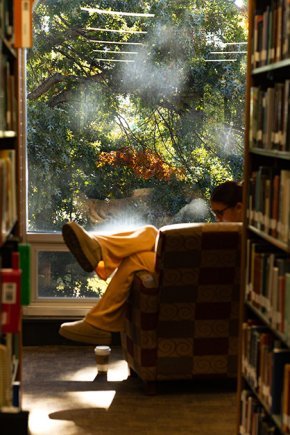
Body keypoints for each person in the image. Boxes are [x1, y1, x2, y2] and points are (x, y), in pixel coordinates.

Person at [59, 180, 243, 344]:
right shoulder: (230, 230)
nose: (217, 219)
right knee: (140, 249)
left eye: (220, 213)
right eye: (215, 214)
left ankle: (99, 251)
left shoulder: (242, 233)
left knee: (150, 234)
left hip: (197, 277)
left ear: (240, 208)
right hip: (191, 267)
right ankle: (98, 322)